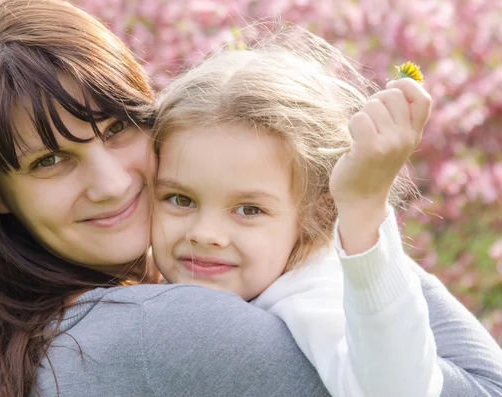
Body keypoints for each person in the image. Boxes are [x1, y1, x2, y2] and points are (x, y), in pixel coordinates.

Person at [0, 0, 502, 396]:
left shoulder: (16, 339)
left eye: (116, 128)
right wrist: (352, 219)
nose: (113, 183)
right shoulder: (162, 329)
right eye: (51, 161)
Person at [150, 37, 440, 397]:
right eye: (180, 199)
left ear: (316, 214)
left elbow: (396, 391)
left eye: (249, 209)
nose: (206, 233)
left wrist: (364, 203)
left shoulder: (310, 293)